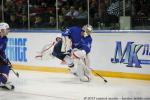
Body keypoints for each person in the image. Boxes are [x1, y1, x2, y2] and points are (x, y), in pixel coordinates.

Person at [0, 22, 15, 90]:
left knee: (7, 68)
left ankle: (3, 82)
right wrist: (3, 60)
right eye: (7, 29)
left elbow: (2, 51)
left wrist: (6, 59)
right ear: (2, 30)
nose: (9, 30)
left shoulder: (5, 38)